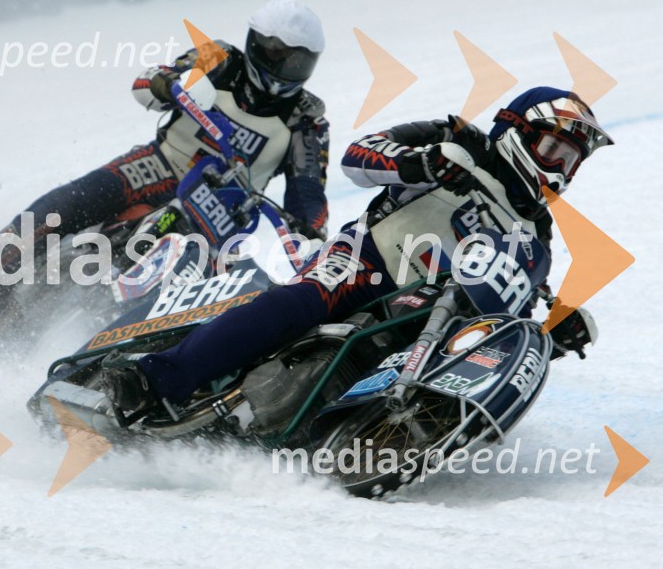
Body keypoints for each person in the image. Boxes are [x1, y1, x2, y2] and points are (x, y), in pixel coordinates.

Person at [106, 87, 612, 413]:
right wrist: (424, 165)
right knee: (297, 303)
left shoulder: (538, 233)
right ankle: (155, 379)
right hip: (365, 262)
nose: (561, 170)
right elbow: (358, 156)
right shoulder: (459, 140)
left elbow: (514, 299)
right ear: (519, 130)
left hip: (430, 317)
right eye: (555, 152)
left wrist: (550, 329)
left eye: (572, 162)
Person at [0, 0, 330, 325]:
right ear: (254, 42)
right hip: (160, 165)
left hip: (221, 215)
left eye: (295, 61)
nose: (281, 68)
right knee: (65, 204)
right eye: (274, 53)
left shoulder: (306, 119)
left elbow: (308, 192)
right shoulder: (220, 58)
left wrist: (308, 232)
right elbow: (149, 81)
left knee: (217, 303)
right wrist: (170, 84)